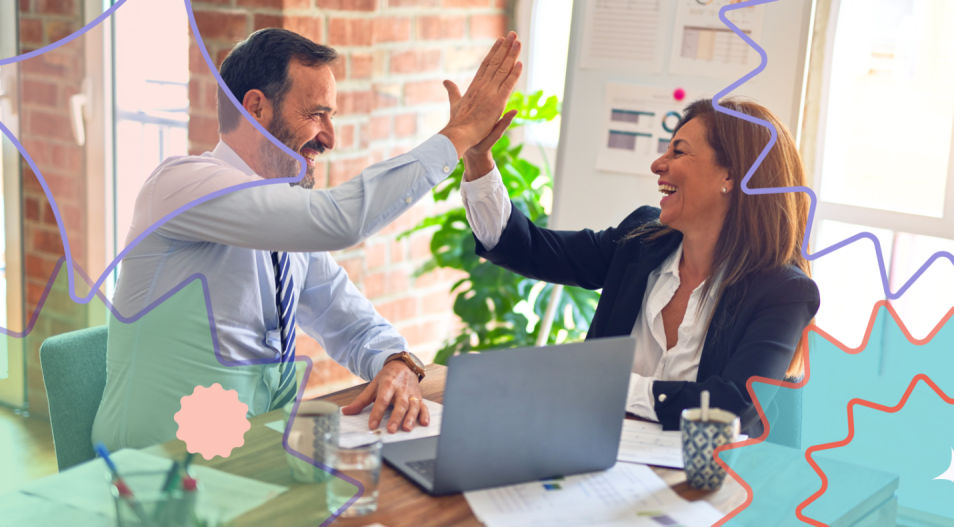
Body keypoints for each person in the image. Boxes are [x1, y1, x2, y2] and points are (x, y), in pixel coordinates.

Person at [92, 28, 522, 450]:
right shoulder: (181, 185)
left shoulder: (284, 221)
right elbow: (341, 220)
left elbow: (348, 320)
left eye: (331, 116)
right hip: (154, 475)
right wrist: (459, 134)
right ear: (256, 107)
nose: (329, 138)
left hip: (251, 460)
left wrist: (397, 362)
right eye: (317, 114)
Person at [459, 97, 819, 436]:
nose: (658, 165)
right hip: (595, 458)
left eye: (678, 152)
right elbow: (528, 248)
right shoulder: (640, 241)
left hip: (703, 488)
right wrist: (478, 158)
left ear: (730, 176)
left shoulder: (784, 292)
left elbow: (731, 408)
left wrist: (608, 386)